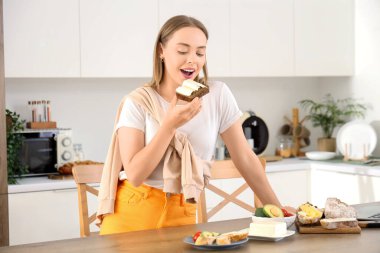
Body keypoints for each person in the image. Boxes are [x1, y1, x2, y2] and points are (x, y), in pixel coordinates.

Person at [97, 15, 290, 235]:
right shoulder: (138, 102)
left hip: (183, 215)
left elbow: (245, 158)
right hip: (131, 219)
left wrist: (280, 213)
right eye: (182, 51)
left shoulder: (217, 95)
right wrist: (169, 126)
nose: (192, 60)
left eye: (200, 52)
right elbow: (135, 174)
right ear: (161, 51)